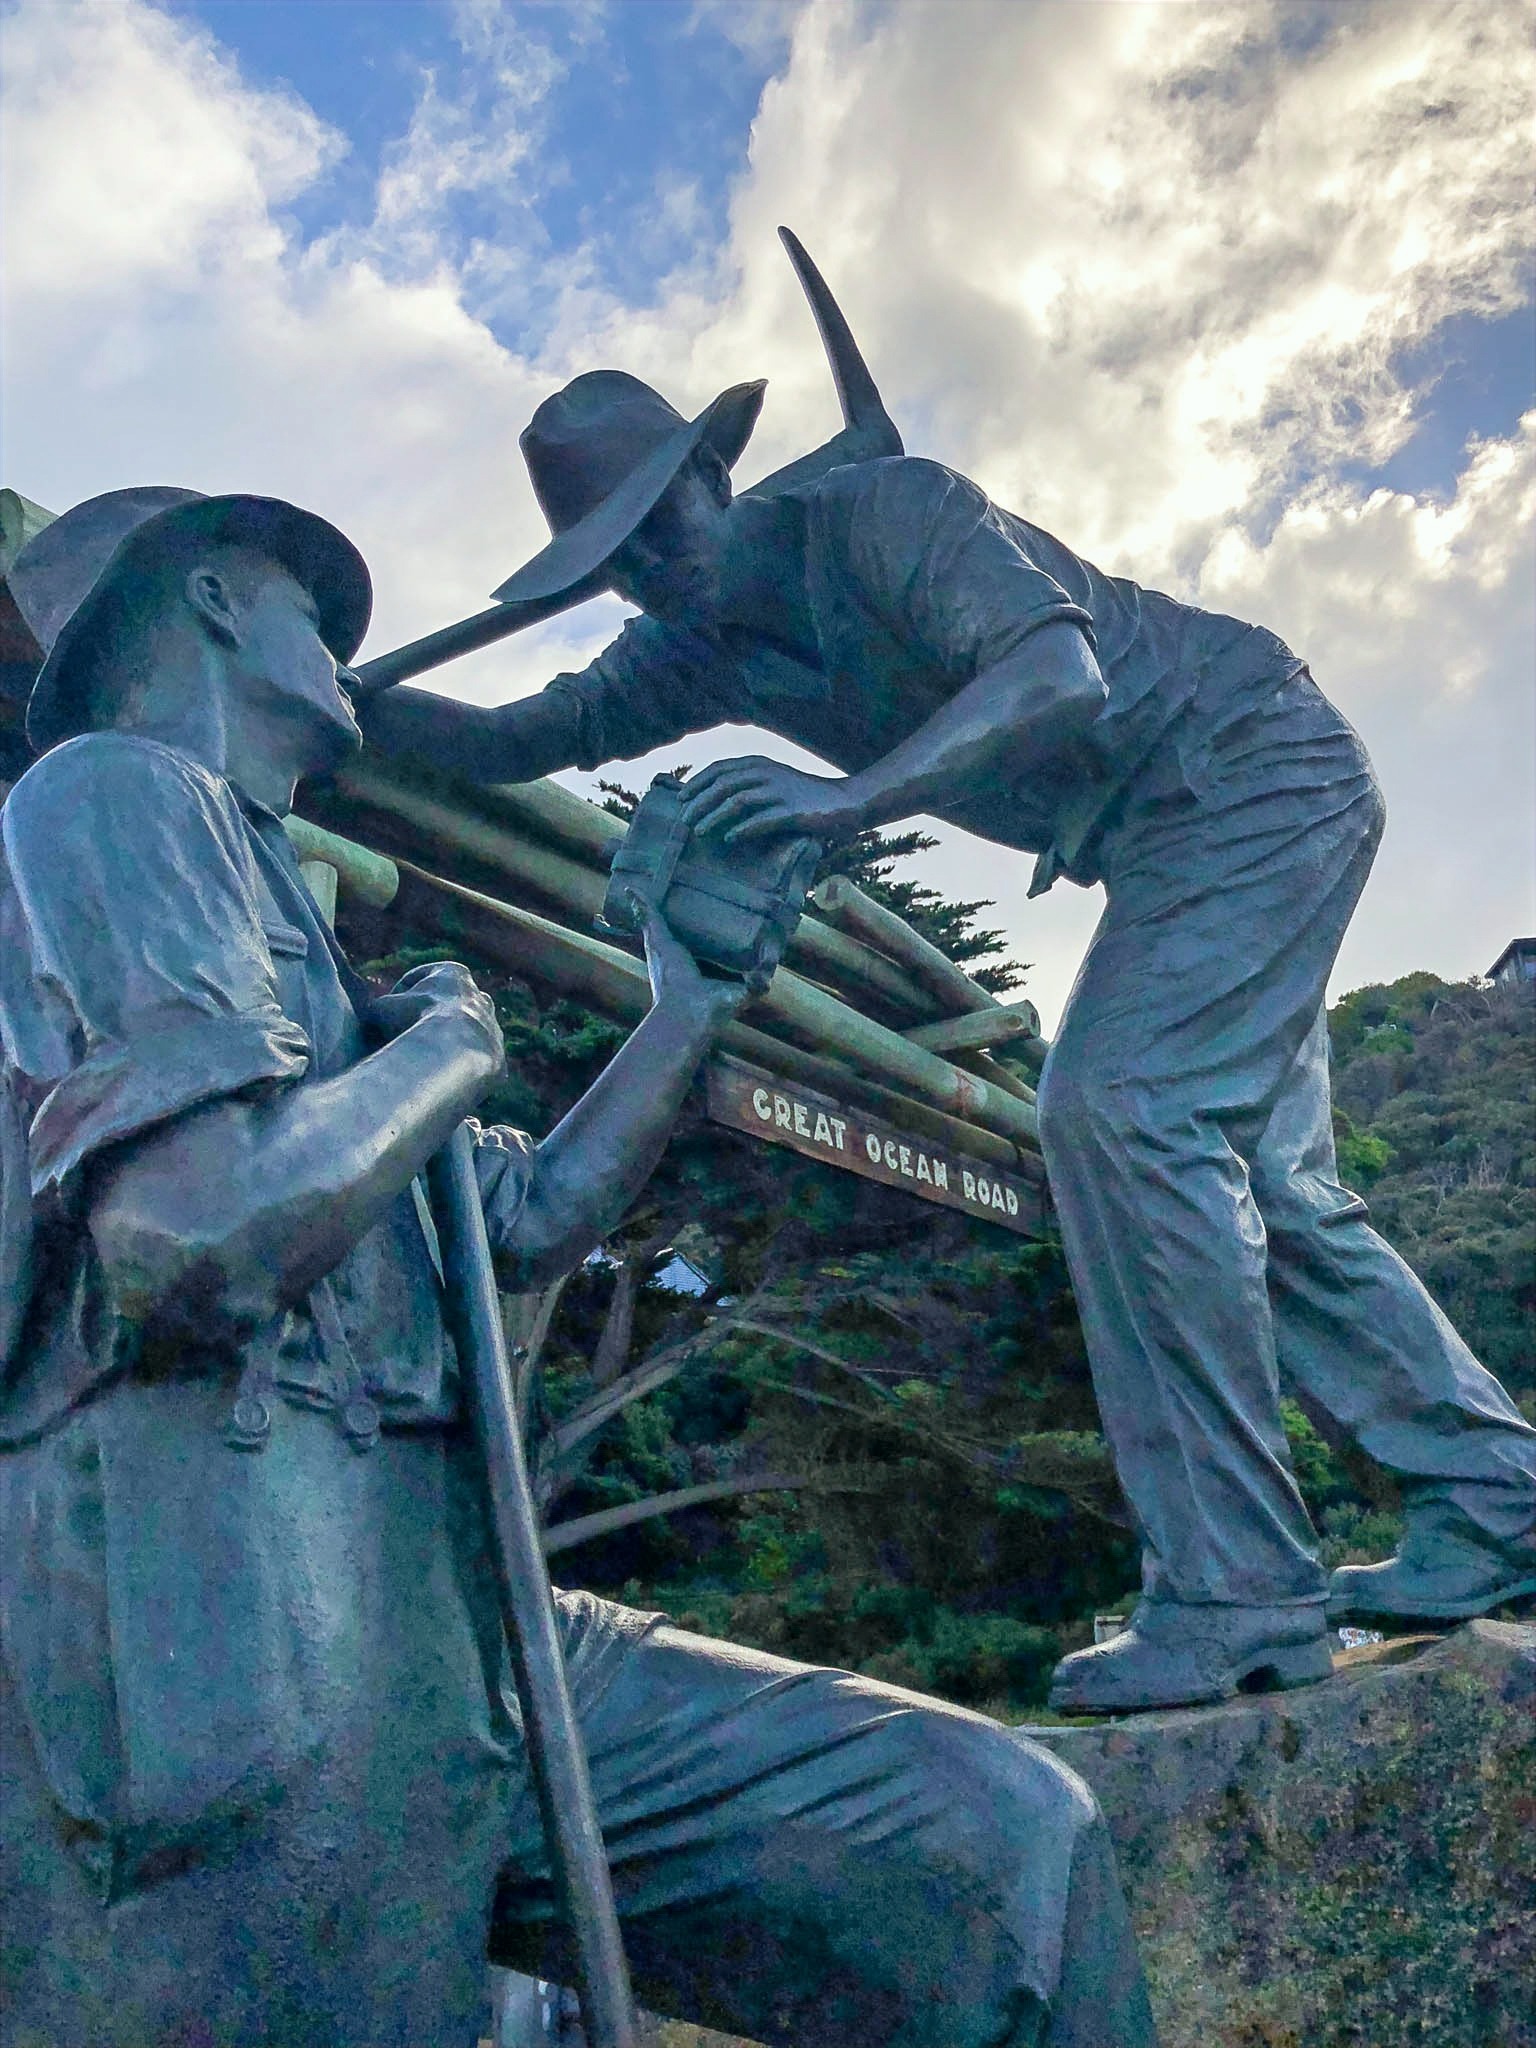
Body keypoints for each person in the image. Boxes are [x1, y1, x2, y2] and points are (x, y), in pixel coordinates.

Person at [0, 485, 1156, 2047]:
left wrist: (684, 1000)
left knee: (1003, 1844)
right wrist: (456, 1052)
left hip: (469, 1632)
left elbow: (522, 1220)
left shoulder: (277, 909)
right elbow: (197, 1240)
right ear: (209, 601)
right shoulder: (107, 797)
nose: (339, 642)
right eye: (307, 604)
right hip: (249, 1625)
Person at [363, 369, 1536, 1715]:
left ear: (713, 478)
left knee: (1122, 1110)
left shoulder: (885, 515)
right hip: (1161, 843)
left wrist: (843, 801)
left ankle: (1237, 1594)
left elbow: (1058, 673)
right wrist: (331, 701)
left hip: (1251, 764)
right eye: (609, 559)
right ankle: (1494, 1499)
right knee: (1275, 1192)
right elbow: (518, 738)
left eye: (654, 527)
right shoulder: (691, 645)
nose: (643, 572)